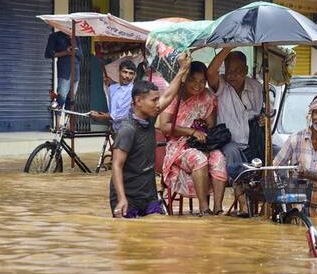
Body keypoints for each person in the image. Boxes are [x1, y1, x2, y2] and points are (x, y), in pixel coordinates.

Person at [160, 56, 228, 217]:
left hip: (200, 143)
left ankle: (217, 208)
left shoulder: (207, 97)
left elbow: (210, 127)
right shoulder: (173, 96)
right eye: (193, 80)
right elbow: (164, 126)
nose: (198, 86)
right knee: (199, 159)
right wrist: (190, 131)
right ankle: (204, 208)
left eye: (202, 82)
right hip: (178, 146)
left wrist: (203, 137)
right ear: (185, 79)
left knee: (218, 158)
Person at [207, 48, 264, 217]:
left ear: (246, 70)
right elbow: (211, 71)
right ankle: (243, 204)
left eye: (237, 71)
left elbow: (260, 113)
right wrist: (228, 47)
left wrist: (262, 119)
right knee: (232, 154)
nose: (232, 76)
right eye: (229, 71)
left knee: (275, 152)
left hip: (252, 140)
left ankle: (269, 203)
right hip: (229, 142)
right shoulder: (221, 85)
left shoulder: (256, 87)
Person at [110, 80, 171, 218]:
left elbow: (169, 96)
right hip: (127, 197)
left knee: (158, 227)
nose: (158, 104)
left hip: (148, 196)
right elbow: (116, 166)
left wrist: (182, 71)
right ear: (138, 101)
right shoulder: (127, 130)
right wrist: (121, 199)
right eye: (154, 100)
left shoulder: (149, 118)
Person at [273, 94, 317, 217]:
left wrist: (308, 174)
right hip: (295, 211)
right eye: (316, 113)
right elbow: (275, 167)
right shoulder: (295, 139)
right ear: (310, 115)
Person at [90, 60, 137, 131]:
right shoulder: (112, 88)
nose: (127, 76)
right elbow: (113, 112)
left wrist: (100, 117)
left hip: (127, 130)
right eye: (125, 72)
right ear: (119, 72)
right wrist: (100, 114)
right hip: (115, 129)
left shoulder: (132, 91)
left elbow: (120, 115)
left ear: (134, 75)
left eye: (131, 73)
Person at [45, 31, 82, 109]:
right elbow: (48, 54)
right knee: (61, 97)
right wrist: (66, 52)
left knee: (71, 99)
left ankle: (68, 119)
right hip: (64, 70)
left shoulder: (76, 37)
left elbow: (80, 56)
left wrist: (74, 44)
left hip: (75, 70)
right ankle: (58, 118)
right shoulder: (55, 36)